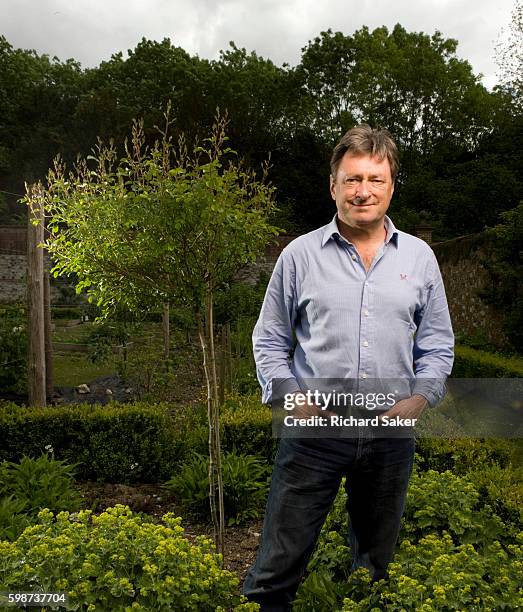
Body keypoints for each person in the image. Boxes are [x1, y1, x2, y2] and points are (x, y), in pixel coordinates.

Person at [242, 124, 454, 611]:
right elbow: (270, 338)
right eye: (352, 179)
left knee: (375, 567)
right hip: (315, 431)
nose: (363, 192)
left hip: (389, 432)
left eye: (375, 180)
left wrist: (418, 400)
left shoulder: (420, 259)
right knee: (278, 564)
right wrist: (293, 401)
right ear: (333, 185)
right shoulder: (299, 256)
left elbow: (438, 342)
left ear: (391, 186)